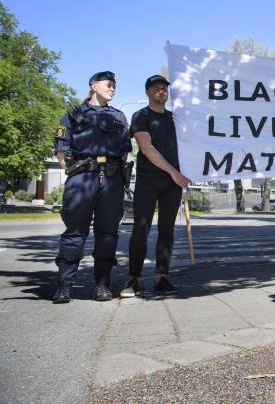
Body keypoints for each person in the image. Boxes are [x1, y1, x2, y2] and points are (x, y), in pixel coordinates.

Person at [52, 71, 132, 303]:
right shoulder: (74, 114)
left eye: (115, 85)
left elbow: (125, 148)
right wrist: (72, 169)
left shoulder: (119, 116)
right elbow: (61, 146)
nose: (113, 88)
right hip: (82, 178)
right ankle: (65, 286)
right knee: (74, 234)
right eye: (108, 84)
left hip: (111, 179)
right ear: (93, 86)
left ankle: (102, 285)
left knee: (107, 234)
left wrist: (114, 171)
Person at [121, 75, 192, 298]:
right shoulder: (140, 116)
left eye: (164, 89)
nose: (161, 92)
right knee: (141, 229)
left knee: (167, 230)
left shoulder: (175, 119)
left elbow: (190, 145)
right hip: (148, 180)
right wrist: (174, 172)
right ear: (147, 92)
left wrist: (189, 172)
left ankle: (162, 277)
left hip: (173, 184)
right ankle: (134, 278)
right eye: (156, 89)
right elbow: (147, 148)